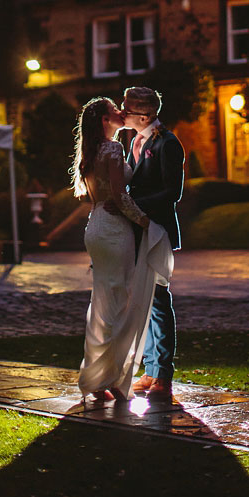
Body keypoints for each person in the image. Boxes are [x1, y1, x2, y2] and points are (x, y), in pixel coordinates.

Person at [73, 97, 174, 404]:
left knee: (102, 302)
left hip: (96, 227)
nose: (122, 112)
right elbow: (119, 195)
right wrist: (145, 223)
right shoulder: (113, 149)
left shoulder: (90, 151)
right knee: (121, 303)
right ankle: (113, 377)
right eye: (114, 110)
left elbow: (97, 196)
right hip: (115, 229)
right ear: (105, 120)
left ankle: (97, 377)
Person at [118, 85, 186, 404]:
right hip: (138, 229)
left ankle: (164, 373)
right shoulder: (135, 140)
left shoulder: (168, 144)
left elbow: (172, 192)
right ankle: (150, 367)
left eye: (127, 109)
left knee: (158, 299)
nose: (122, 113)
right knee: (142, 299)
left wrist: (133, 204)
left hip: (156, 229)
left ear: (143, 114)